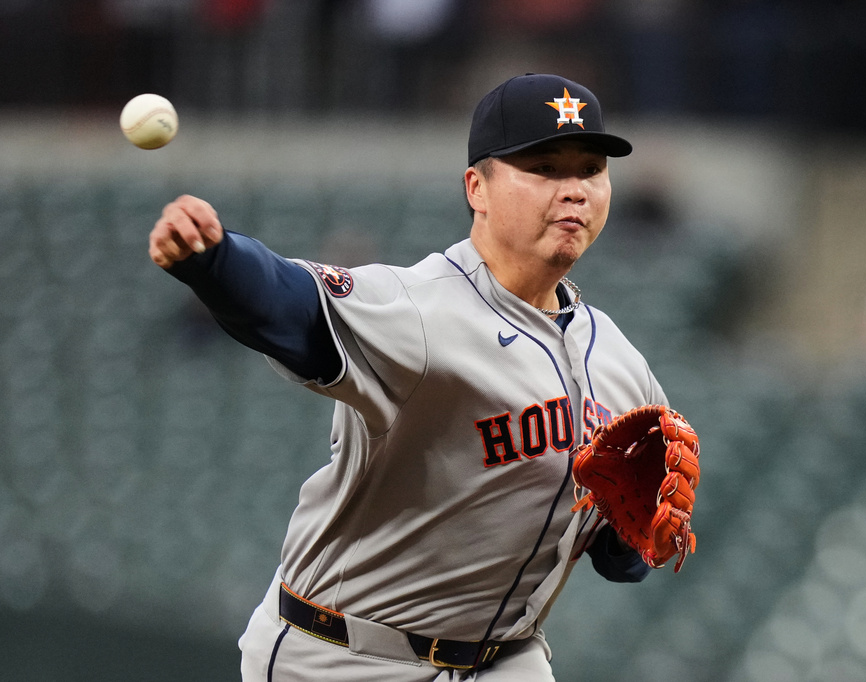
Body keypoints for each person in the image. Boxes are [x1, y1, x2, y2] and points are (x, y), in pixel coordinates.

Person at [149, 73, 690, 681]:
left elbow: (623, 560)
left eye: (590, 170)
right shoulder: (420, 309)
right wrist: (217, 261)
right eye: (543, 168)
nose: (574, 191)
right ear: (476, 188)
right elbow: (292, 304)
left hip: (504, 659)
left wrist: (633, 536)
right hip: (344, 656)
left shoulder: (621, 365)